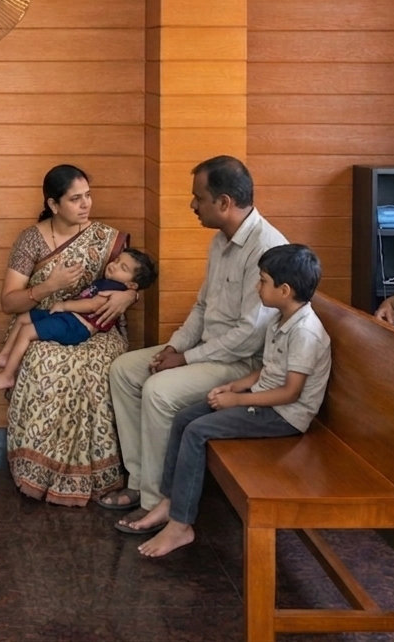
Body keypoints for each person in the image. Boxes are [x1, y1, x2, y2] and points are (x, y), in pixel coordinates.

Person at [103, 156, 287, 525]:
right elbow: (202, 306)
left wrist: (186, 359)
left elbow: (249, 335)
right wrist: (175, 347)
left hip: (243, 363)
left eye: (198, 198)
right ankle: (139, 480)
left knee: (158, 390)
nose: (192, 205)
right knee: (124, 370)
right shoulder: (221, 241)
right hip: (205, 350)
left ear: (224, 203)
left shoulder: (267, 248)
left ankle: (156, 500)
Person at [124, 245, 331, 555]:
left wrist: (236, 401)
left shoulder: (305, 332)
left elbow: (291, 392)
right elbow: (268, 369)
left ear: (284, 290)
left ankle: (181, 526)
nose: (257, 286)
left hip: (282, 414)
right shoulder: (282, 317)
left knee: (197, 432)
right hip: (263, 398)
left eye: (262, 281)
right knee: (184, 419)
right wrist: (236, 385)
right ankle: (169, 502)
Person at [4, 164, 139, 506]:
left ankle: (100, 475)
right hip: (42, 321)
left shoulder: (108, 239)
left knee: (94, 368)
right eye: (75, 199)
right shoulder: (31, 239)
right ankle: (39, 472)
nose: (85, 205)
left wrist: (130, 296)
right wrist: (49, 287)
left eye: (88, 196)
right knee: (48, 364)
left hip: (97, 328)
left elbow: (135, 279)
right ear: (53, 204)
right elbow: (8, 301)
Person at [0, 248, 157, 393]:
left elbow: (93, 305)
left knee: (27, 331)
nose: (114, 265)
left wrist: (65, 305)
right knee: (23, 317)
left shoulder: (116, 289)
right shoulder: (110, 282)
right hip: (70, 317)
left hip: (77, 326)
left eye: (123, 268)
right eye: (117, 260)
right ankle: (5, 355)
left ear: (132, 285)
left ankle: (8, 375)